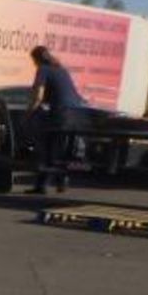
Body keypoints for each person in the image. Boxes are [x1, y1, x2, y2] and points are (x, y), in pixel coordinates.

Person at [26, 45, 87, 194]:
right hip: (75, 113)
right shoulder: (61, 69)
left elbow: (38, 96)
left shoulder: (43, 69)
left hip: (60, 113)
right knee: (59, 149)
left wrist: (29, 113)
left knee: (45, 147)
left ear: (36, 59)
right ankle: (61, 182)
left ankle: (42, 185)